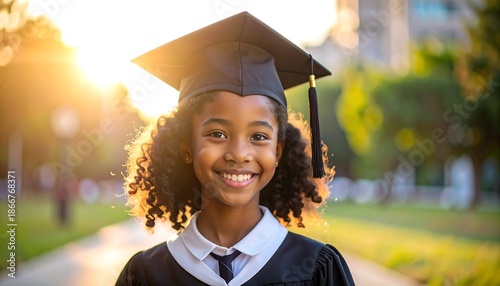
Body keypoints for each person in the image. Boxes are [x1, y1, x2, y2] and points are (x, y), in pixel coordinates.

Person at [116, 11, 355, 286]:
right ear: (186, 145)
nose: (239, 153)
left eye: (259, 136)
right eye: (217, 134)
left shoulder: (316, 269)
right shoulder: (148, 275)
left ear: (278, 151)